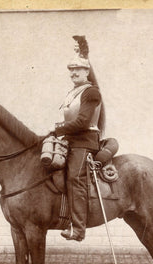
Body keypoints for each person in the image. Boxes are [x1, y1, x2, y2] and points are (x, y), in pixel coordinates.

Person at [52, 52, 104, 241]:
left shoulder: (91, 92)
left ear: (86, 71)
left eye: (77, 69)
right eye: (71, 69)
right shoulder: (71, 93)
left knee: (75, 177)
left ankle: (79, 229)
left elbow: (82, 122)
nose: (73, 72)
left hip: (85, 141)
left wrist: (57, 130)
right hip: (70, 140)